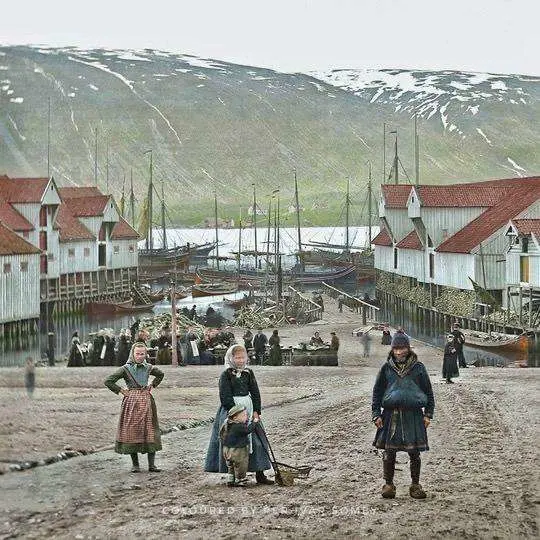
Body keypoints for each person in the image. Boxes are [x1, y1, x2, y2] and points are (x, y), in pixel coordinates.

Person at [372, 332, 435, 500]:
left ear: (408, 348)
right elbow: (377, 392)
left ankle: (415, 485)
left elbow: (428, 392)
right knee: (389, 452)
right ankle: (388, 484)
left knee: (414, 452)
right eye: (396, 349)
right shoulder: (386, 368)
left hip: (413, 415)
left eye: (402, 348)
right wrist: (376, 414)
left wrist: (428, 414)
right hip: (391, 415)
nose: (399, 352)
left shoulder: (418, 368)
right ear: (392, 350)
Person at [204, 344, 273, 485]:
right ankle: (233, 475)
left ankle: (260, 473)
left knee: (257, 442)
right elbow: (224, 395)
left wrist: (256, 411)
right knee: (234, 444)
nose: (241, 361)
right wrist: (236, 413)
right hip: (232, 412)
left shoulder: (249, 373)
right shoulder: (226, 374)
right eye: (237, 358)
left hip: (248, 407)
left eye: (243, 358)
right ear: (231, 358)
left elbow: (255, 392)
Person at [104, 342, 164, 473]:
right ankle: (135, 465)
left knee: (150, 430)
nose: (140, 356)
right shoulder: (125, 368)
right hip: (131, 403)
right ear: (133, 354)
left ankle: (152, 465)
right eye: (137, 354)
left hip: (147, 402)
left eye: (142, 354)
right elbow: (108, 380)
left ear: (146, 354)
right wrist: (122, 390)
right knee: (132, 431)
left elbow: (160, 374)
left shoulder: (149, 367)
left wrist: (152, 386)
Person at [220, 404, 260, 487]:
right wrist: (254, 422)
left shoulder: (227, 424)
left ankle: (230, 480)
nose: (246, 416)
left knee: (230, 466)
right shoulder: (238, 426)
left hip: (227, 449)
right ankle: (240, 479)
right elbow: (248, 430)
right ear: (235, 418)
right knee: (240, 465)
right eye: (244, 415)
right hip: (237, 451)